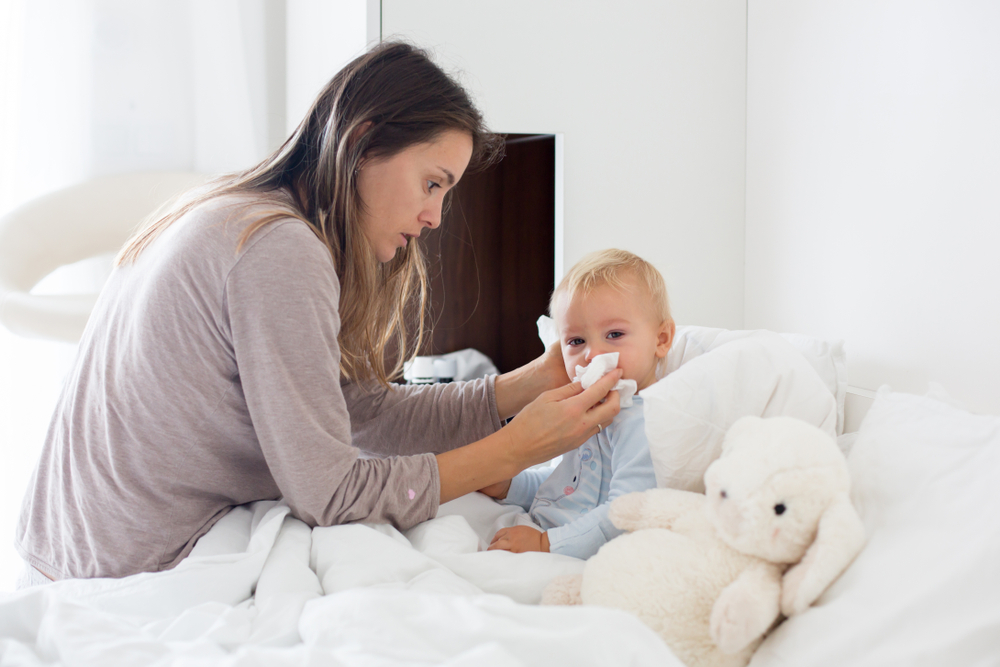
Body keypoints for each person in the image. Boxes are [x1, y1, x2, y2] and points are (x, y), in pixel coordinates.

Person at [14, 42, 623, 586]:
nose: (436, 217)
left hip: (66, 553)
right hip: (118, 573)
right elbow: (330, 494)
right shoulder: (279, 249)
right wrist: (512, 451)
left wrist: (529, 385)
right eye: (432, 183)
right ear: (361, 142)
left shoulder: (240, 210)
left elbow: (359, 412)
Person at [483, 249, 675, 560]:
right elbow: (564, 487)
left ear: (662, 339)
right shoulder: (585, 408)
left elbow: (624, 515)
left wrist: (547, 544)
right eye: (576, 341)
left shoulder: (645, 421)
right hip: (539, 529)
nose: (591, 354)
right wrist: (511, 486)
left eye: (614, 334)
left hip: (576, 553)